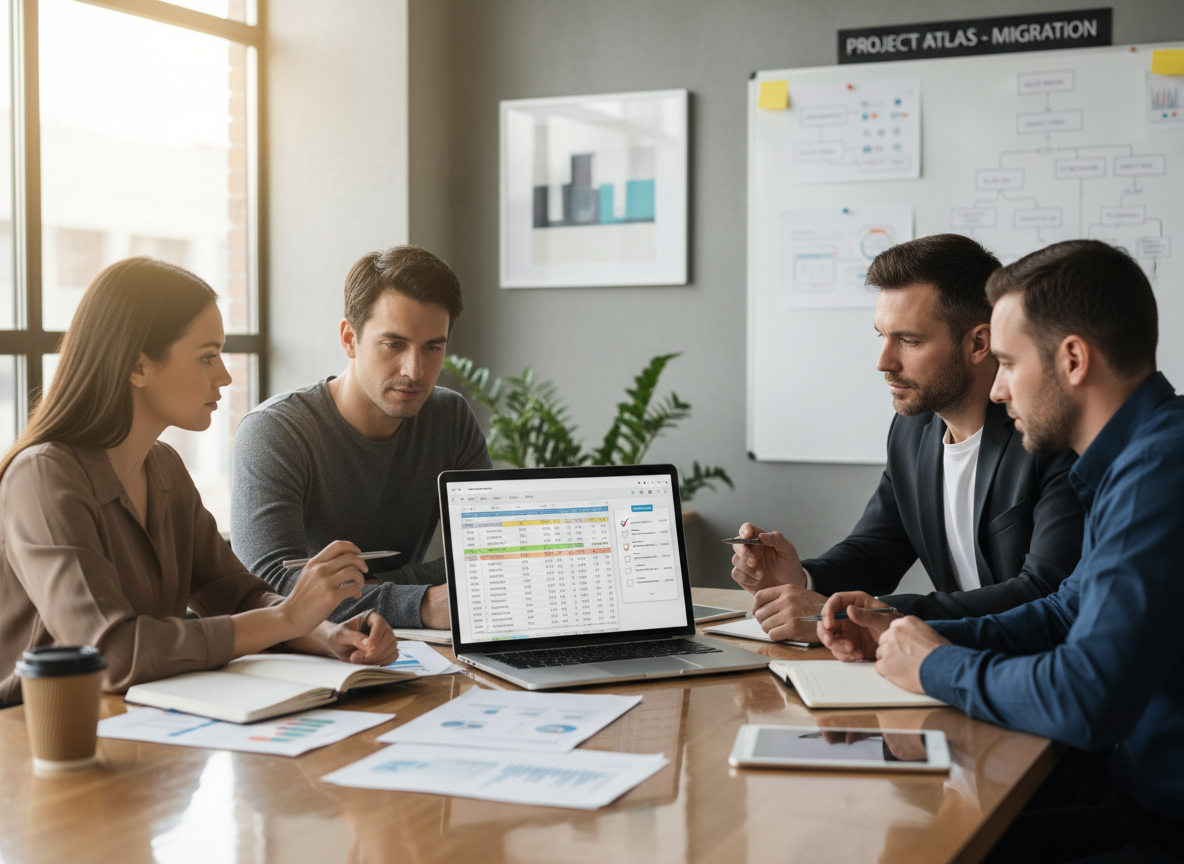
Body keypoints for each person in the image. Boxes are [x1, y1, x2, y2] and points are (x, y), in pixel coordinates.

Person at [821, 240, 1184, 863]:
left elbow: (1086, 697)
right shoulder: (1132, 460)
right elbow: (1064, 611)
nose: (998, 390)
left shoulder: (1160, 473)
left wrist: (935, 666)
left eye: (1009, 363)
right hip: (1137, 804)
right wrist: (901, 631)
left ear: (1073, 360)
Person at [0, 258, 398, 704]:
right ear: (138, 366)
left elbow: (234, 594)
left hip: (137, 718)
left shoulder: (164, 468)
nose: (224, 375)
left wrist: (324, 633)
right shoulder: (43, 476)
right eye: (208, 356)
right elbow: (110, 653)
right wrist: (288, 618)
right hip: (30, 727)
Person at [732, 234, 1084, 643]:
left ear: (978, 343)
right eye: (882, 336)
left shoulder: (1049, 435)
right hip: (951, 657)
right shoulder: (911, 431)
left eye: (909, 340)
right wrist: (804, 578)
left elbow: (1044, 591)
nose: (884, 362)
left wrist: (868, 616)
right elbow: (875, 550)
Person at [230, 246, 490, 631]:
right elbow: (271, 586)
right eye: (394, 344)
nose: (415, 370)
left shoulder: (449, 417)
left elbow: (487, 552)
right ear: (350, 339)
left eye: (433, 347)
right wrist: (421, 604)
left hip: (405, 641)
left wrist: (381, 587)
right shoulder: (275, 431)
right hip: (307, 648)